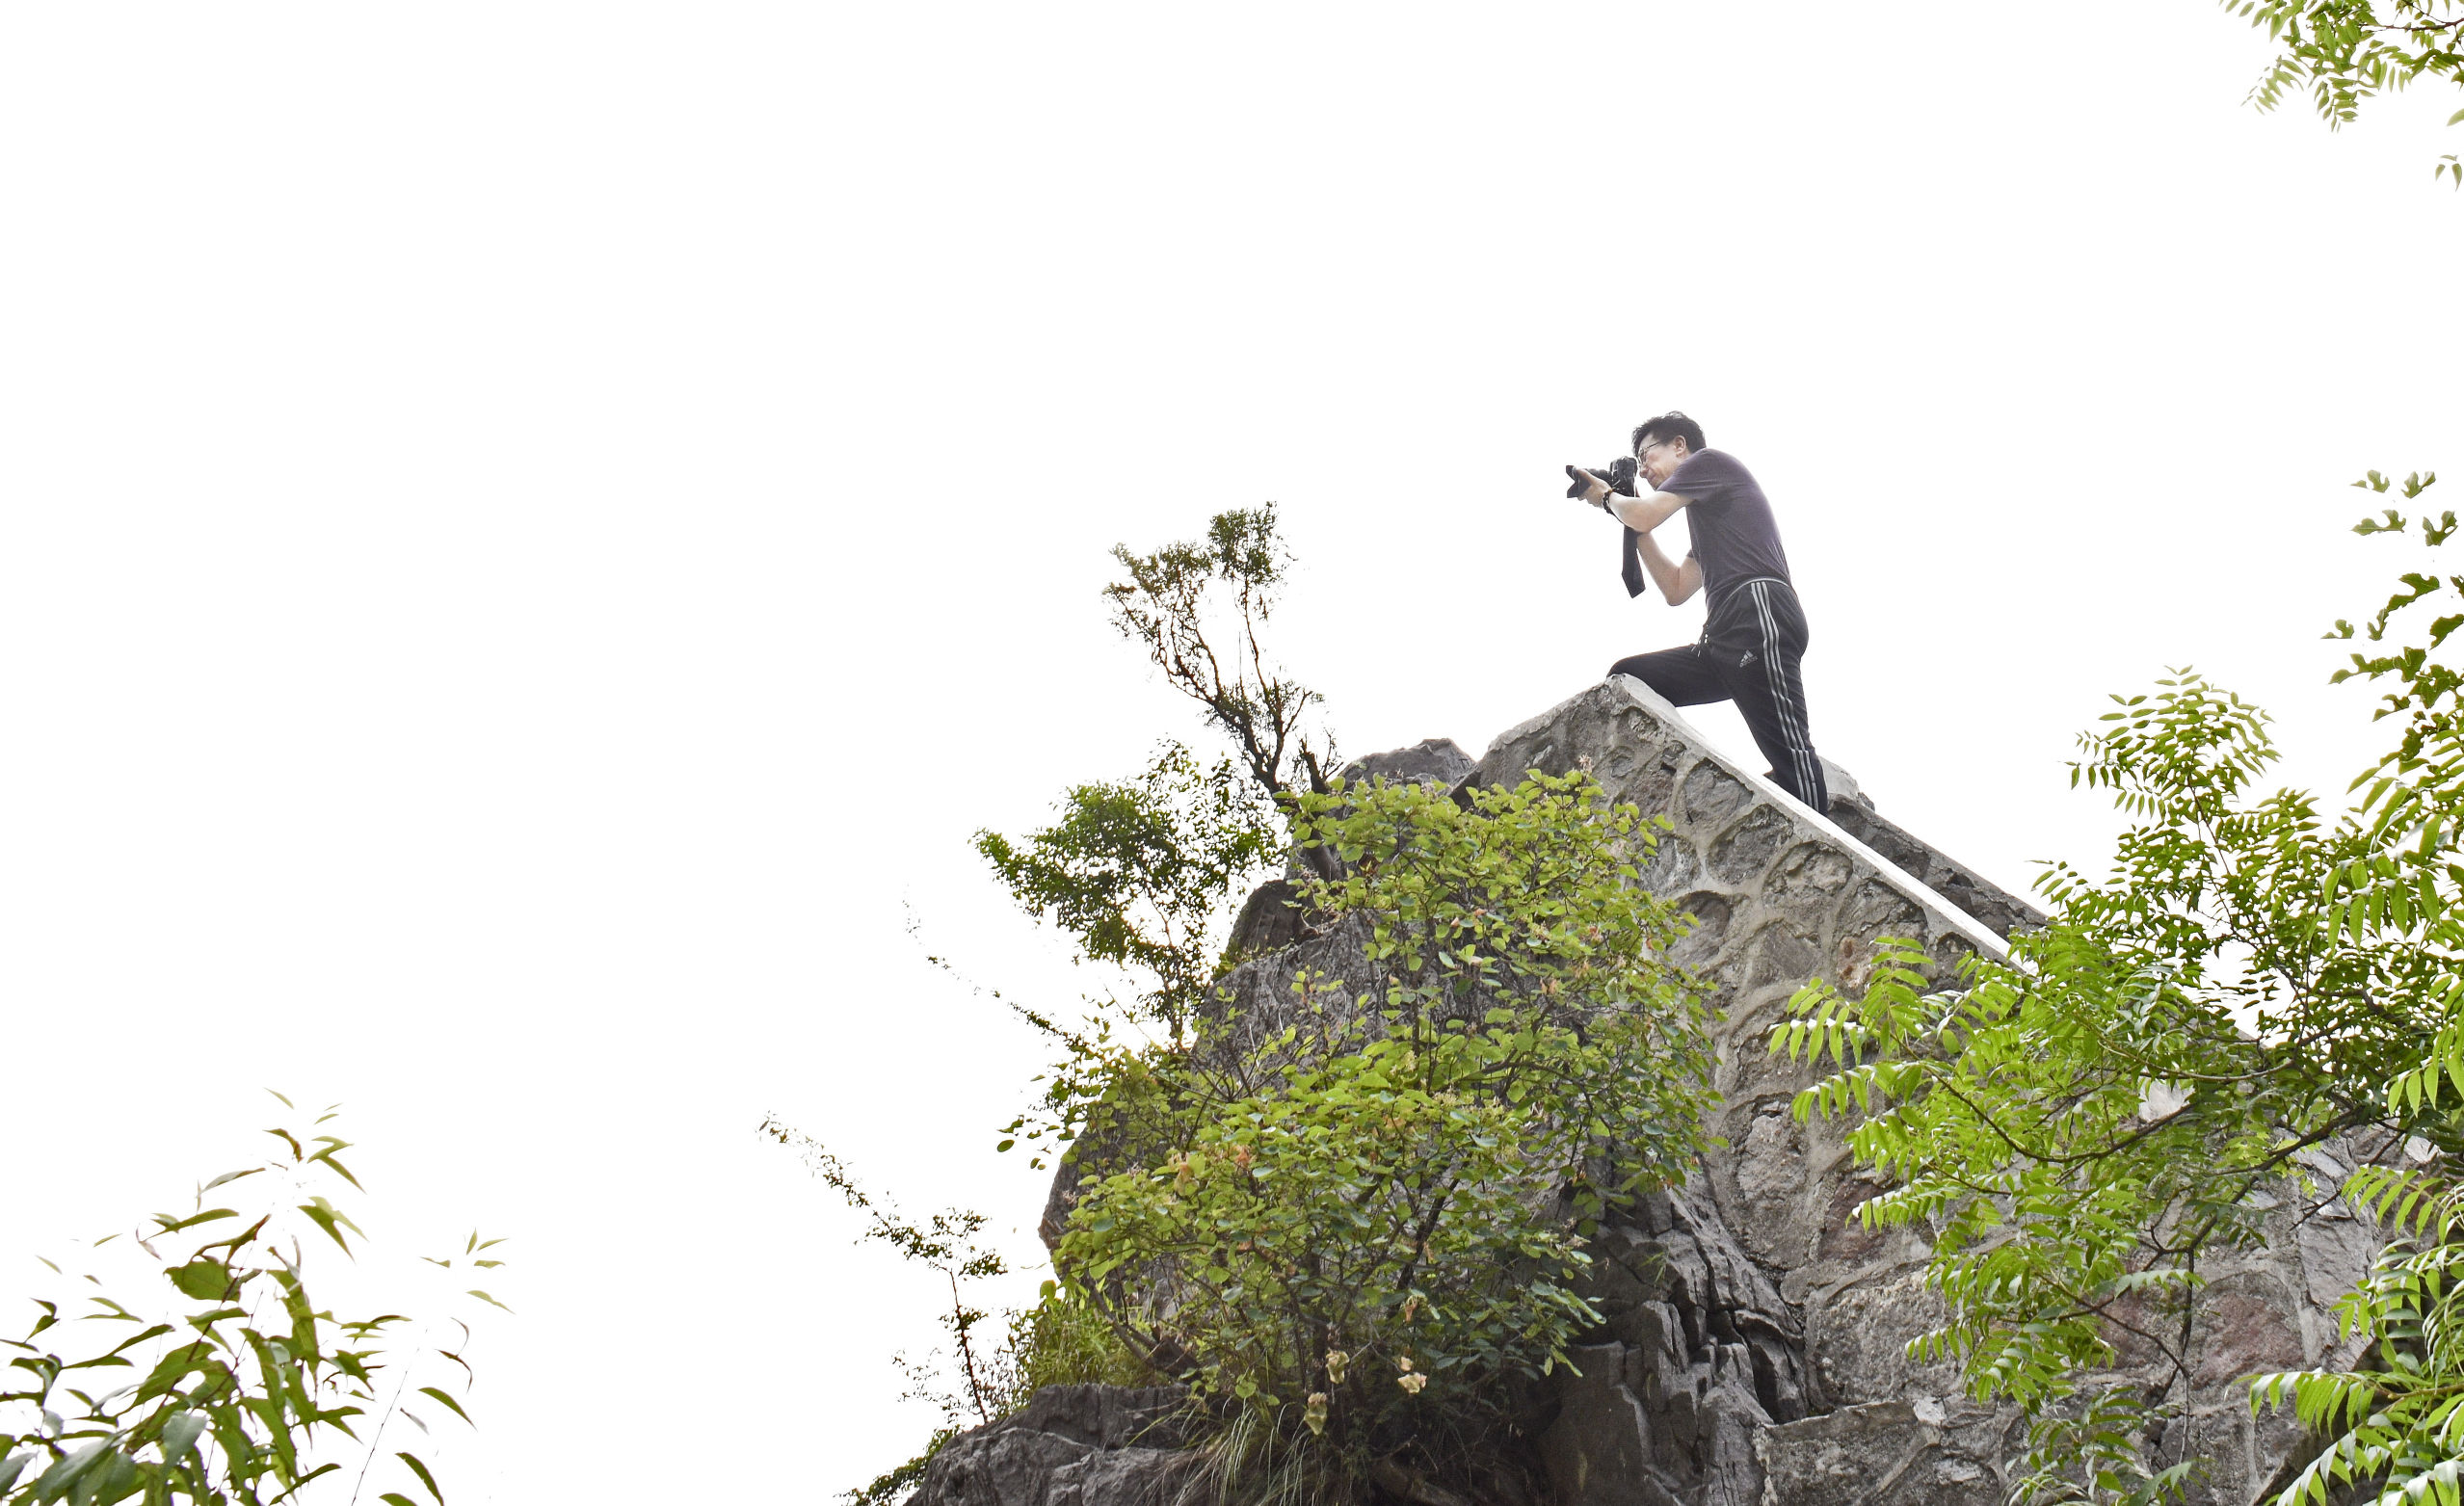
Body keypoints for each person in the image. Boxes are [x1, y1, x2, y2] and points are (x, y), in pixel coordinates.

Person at [1568, 411, 1827, 814]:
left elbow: (1643, 512)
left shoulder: (1709, 463)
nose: (1644, 468)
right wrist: (1628, 519)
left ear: (1679, 446)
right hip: (1722, 638)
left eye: (1646, 455)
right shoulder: (1710, 513)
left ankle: (1823, 858)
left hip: (1758, 614)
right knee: (1629, 677)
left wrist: (1608, 496)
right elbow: (1675, 588)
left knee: (1792, 757)